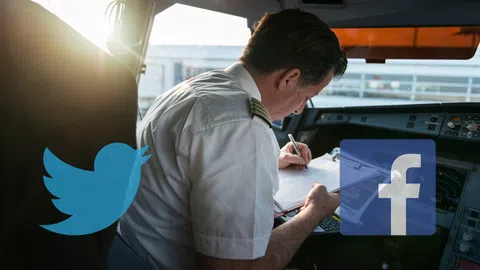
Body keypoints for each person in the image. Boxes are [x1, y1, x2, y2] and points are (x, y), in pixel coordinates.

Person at [117, 8, 347, 270]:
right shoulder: (241, 127)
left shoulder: (195, 89)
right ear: (290, 78)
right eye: (306, 97)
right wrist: (314, 212)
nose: (299, 110)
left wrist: (271, 160)